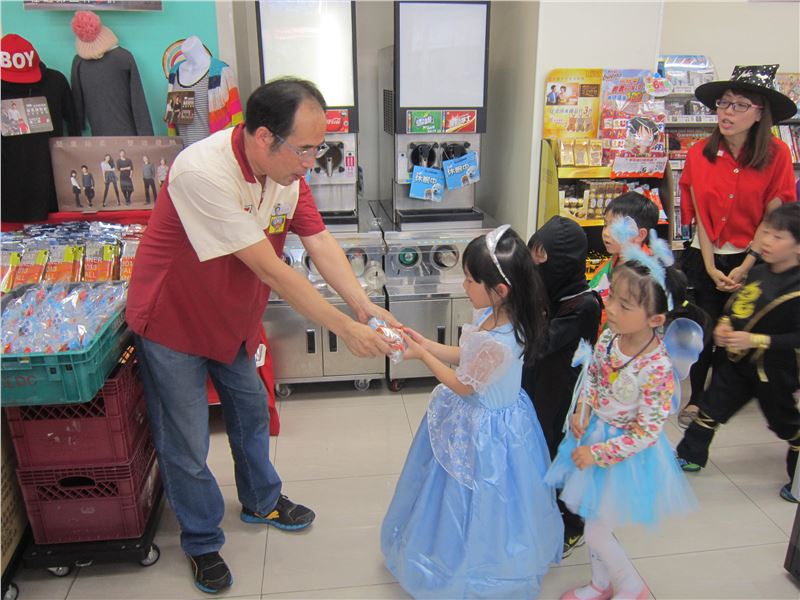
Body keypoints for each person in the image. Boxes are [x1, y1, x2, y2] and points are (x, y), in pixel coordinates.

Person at [126, 77, 396, 594]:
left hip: (232, 317)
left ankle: (261, 501)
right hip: (173, 321)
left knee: (251, 412)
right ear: (264, 137)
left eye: (319, 149)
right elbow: (272, 270)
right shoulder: (202, 172)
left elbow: (319, 241)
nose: (312, 162)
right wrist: (342, 327)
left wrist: (365, 307)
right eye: (305, 149)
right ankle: (201, 540)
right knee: (186, 440)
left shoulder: (287, 172)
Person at [381, 226, 563, 599]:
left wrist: (422, 356)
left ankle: (472, 563)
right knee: (467, 493)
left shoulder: (501, 341)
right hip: (493, 417)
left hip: (487, 432)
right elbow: (467, 355)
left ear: (500, 289)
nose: (463, 285)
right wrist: (424, 342)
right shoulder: (496, 316)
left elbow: (463, 384)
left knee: (476, 496)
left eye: (469, 279)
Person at [546, 254, 697, 600]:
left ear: (655, 319)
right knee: (591, 519)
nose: (610, 308)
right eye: (611, 296)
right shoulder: (610, 339)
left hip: (625, 457)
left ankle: (631, 587)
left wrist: (597, 454)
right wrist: (582, 410)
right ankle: (601, 583)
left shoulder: (657, 368)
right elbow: (592, 377)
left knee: (598, 531)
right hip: (594, 435)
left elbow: (646, 433)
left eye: (624, 305)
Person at [677, 65, 797, 428]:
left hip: (753, 255)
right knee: (704, 329)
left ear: (760, 113)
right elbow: (700, 214)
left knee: (737, 329)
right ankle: (696, 400)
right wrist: (710, 266)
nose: (727, 112)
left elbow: (773, 216)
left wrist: (748, 264)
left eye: (739, 105)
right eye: (723, 103)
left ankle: (725, 399)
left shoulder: (777, 154)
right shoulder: (700, 153)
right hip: (706, 253)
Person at [676, 202, 800, 503]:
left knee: (785, 424)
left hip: (775, 370)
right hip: (737, 361)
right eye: (766, 233)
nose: (767, 241)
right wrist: (724, 324)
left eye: (778, 237)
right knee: (711, 407)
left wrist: (754, 339)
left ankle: (797, 477)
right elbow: (737, 306)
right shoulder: (758, 272)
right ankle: (689, 454)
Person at [523, 216, 602, 558]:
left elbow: (543, 342)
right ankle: (541, 510)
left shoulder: (583, 304)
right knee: (538, 444)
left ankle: (570, 524)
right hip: (539, 383)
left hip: (564, 394)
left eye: (542, 257)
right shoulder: (552, 291)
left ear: (562, 261)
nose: (536, 264)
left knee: (560, 451)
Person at [589, 191, 659, 330]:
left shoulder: (645, 274)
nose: (606, 233)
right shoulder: (614, 260)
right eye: (605, 224)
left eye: (615, 228)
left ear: (640, 235)